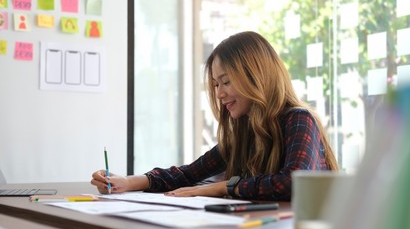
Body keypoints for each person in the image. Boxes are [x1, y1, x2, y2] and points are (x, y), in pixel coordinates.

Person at [91, 31, 339, 201]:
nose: (219, 94)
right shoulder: (245, 133)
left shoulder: (299, 120)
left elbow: (293, 182)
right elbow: (188, 174)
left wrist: (221, 187)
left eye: (226, 82)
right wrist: (127, 182)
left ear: (257, 78)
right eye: (215, 85)